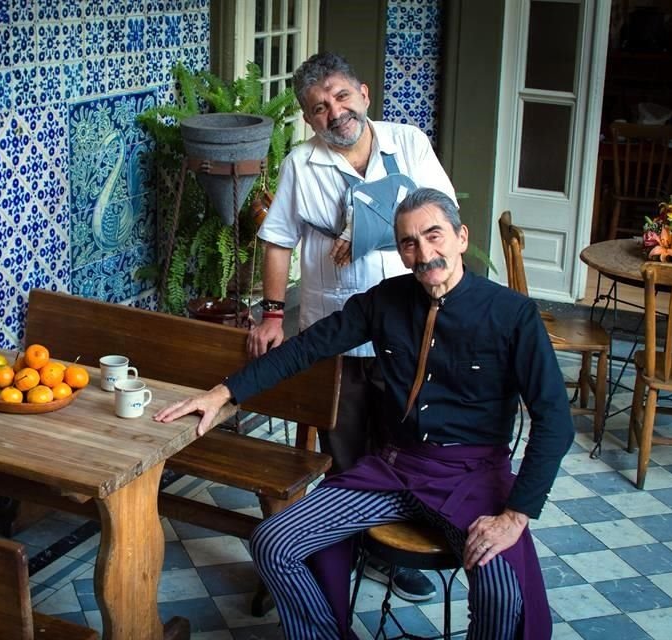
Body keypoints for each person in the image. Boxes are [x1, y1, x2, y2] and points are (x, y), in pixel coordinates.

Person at [156, 188, 573, 640]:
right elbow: (307, 348)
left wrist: (513, 517)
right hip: (393, 468)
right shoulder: (385, 301)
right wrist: (224, 392)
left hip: (469, 476)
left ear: (460, 237)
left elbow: (556, 423)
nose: (424, 252)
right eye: (409, 242)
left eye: (434, 235)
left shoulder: (513, 315)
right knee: (274, 543)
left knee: (502, 593)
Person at [248, 52, 457, 600]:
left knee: (403, 443)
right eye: (319, 108)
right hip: (337, 330)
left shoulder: (407, 142)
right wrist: (273, 315)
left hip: (411, 328)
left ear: (364, 94)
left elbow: (440, 215)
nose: (334, 112)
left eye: (341, 97)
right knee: (345, 447)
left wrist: (366, 223)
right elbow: (276, 240)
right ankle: (348, 542)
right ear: (308, 119)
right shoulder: (302, 164)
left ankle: (393, 548)